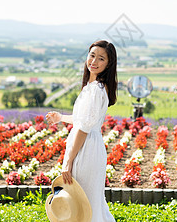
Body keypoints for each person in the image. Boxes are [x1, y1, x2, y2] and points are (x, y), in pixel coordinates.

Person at [46, 40, 117, 222]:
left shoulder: (95, 90)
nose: (94, 61)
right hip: (89, 147)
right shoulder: (94, 87)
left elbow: (83, 128)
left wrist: (68, 161)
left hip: (85, 150)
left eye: (101, 58)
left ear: (108, 64)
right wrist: (61, 118)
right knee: (88, 204)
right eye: (92, 55)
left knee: (83, 204)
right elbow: (82, 120)